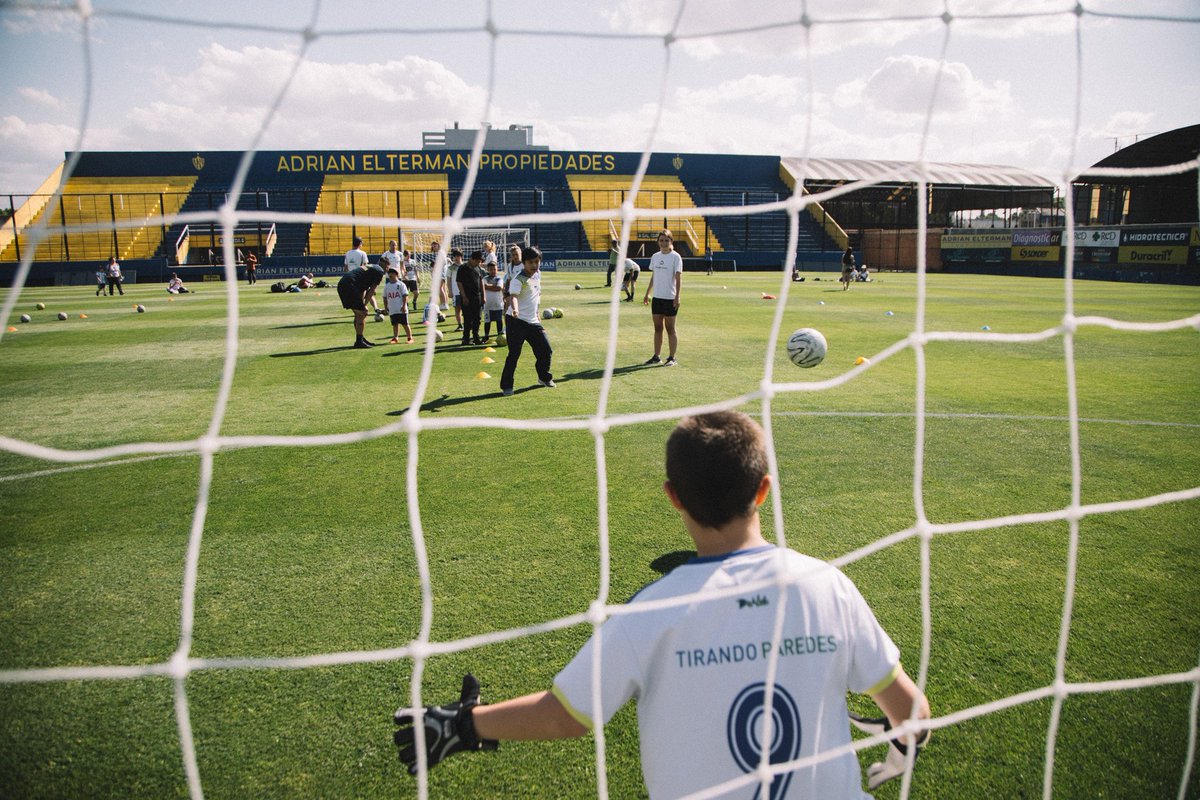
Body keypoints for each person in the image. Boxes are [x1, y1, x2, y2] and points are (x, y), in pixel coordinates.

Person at [394, 410, 932, 798]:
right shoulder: (827, 585)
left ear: (673, 496)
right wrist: (898, 749)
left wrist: (463, 724)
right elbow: (912, 714)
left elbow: (565, 716)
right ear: (764, 490)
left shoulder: (651, 610)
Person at [498, 245, 554, 396]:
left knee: (546, 350)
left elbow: (536, 295)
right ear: (524, 263)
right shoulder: (518, 279)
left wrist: (537, 312)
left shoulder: (537, 274)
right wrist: (515, 309)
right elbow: (513, 297)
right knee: (514, 354)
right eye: (531, 262)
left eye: (537, 262)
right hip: (516, 321)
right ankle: (507, 386)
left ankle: (544, 377)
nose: (534, 265)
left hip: (533, 321)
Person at [641, 229, 682, 367]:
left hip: (670, 298)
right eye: (661, 240)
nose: (663, 243)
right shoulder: (655, 256)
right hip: (657, 298)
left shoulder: (676, 257)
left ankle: (672, 358)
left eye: (666, 240)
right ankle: (656, 356)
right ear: (658, 242)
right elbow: (654, 276)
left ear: (671, 241)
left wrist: (677, 296)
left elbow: (678, 278)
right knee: (657, 328)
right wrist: (647, 293)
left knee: (670, 328)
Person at [337, 259, 385, 349]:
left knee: (360, 313)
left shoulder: (371, 268)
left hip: (345, 284)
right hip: (349, 286)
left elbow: (363, 289)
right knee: (362, 313)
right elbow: (371, 291)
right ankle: (359, 341)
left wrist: (363, 304)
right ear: (386, 266)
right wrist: (364, 305)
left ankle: (360, 338)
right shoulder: (380, 271)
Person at [456, 250, 485, 346]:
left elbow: (481, 282)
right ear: (472, 259)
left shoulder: (478, 268)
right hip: (467, 297)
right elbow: (459, 283)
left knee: (477, 318)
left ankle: (476, 337)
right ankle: (466, 338)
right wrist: (464, 296)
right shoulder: (462, 268)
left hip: (477, 297)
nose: (478, 263)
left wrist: (483, 296)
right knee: (468, 318)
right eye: (477, 261)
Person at [382, 267, 414, 344]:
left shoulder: (401, 284)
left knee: (405, 324)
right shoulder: (387, 286)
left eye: (392, 273)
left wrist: (404, 306)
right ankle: (395, 338)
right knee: (395, 324)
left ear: (396, 274)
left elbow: (405, 296)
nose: (390, 275)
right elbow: (385, 297)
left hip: (400, 308)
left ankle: (410, 337)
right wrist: (386, 308)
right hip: (392, 309)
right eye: (389, 273)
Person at [482, 259, 505, 341]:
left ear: (497, 269)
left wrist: (488, 286)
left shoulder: (499, 279)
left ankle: (500, 335)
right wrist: (493, 286)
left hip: (498, 304)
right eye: (491, 269)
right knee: (487, 321)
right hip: (487, 305)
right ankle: (486, 335)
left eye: (494, 269)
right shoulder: (484, 278)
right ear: (487, 270)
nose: (493, 271)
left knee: (499, 320)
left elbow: (499, 288)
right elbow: (483, 286)